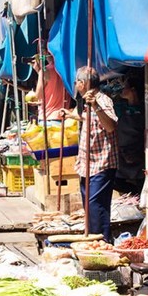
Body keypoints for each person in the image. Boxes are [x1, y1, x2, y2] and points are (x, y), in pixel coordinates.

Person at [61, 66, 118, 243]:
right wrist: (70, 115)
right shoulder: (86, 102)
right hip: (87, 163)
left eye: (77, 82)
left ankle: (101, 242)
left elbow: (110, 126)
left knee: (95, 205)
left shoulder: (102, 100)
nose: (76, 85)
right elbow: (87, 119)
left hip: (101, 163)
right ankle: (94, 239)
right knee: (88, 204)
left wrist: (96, 106)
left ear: (83, 83)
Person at [32, 53, 70, 122]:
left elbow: (38, 96)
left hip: (48, 117)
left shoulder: (45, 71)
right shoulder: (66, 70)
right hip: (63, 116)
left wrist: (39, 72)